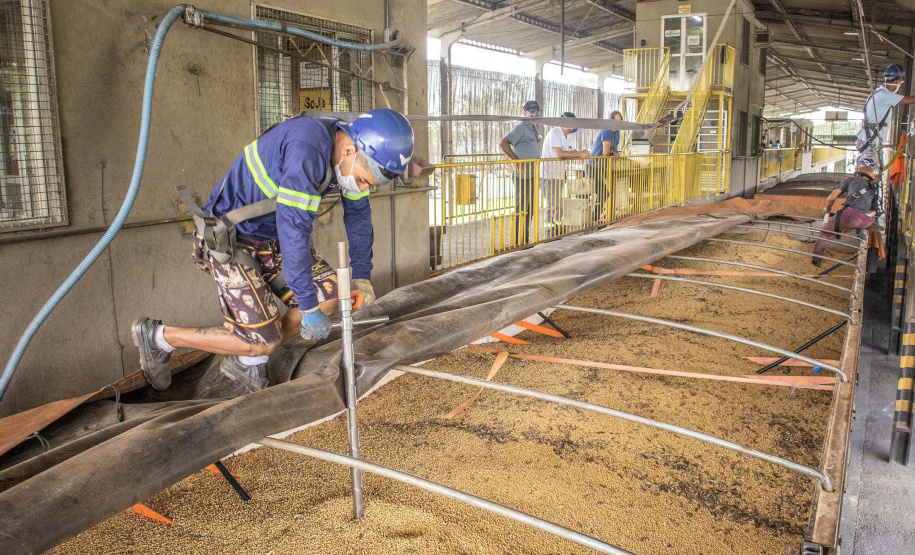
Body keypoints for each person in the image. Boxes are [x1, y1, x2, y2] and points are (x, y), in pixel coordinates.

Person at [130, 109, 414, 392]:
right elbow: (294, 229)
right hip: (230, 239)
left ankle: (251, 356)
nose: (361, 186)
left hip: (271, 238)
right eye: (363, 179)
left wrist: (362, 276)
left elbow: (359, 216)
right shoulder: (308, 148)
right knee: (267, 336)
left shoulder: (348, 161)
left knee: (330, 296)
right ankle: (159, 338)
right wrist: (306, 304)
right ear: (350, 148)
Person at [812, 164, 880, 266]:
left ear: (857, 173)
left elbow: (832, 197)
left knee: (825, 233)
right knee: (852, 222)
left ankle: (816, 260)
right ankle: (860, 231)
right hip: (869, 218)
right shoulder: (871, 186)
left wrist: (827, 209)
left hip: (852, 215)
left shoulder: (851, 180)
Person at [499, 100, 542, 245]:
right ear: (525, 113)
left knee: (529, 207)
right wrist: (516, 160)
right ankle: (517, 241)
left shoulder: (534, 128)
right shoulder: (521, 127)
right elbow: (503, 143)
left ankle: (525, 239)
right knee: (521, 207)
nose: (534, 114)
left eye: (536, 111)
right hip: (522, 175)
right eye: (531, 111)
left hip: (532, 173)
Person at [857, 64, 915, 170]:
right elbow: (911, 100)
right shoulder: (885, 95)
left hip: (869, 141)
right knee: (869, 174)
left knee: (875, 173)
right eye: (901, 82)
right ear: (897, 81)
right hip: (870, 143)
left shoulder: (877, 93)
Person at [540, 112, 588, 235]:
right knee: (554, 204)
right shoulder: (555, 133)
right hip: (548, 175)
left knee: (558, 204)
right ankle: (549, 231)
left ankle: (556, 229)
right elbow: (560, 154)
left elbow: (570, 153)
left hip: (559, 174)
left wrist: (581, 153)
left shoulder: (570, 136)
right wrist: (579, 154)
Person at [588, 110, 623, 221]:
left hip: (602, 166)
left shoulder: (617, 133)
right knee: (602, 192)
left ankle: (596, 216)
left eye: (620, 120)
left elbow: (615, 150)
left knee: (602, 192)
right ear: (610, 120)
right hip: (594, 165)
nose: (618, 122)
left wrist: (616, 153)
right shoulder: (606, 131)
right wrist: (614, 154)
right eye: (616, 120)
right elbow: (606, 153)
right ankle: (593, 217)